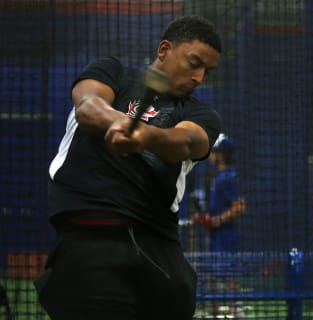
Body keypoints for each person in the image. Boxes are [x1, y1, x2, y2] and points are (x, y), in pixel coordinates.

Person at [34, 15, 223, 320]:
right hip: (89, 246)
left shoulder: (201, 113)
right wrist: (121, 123)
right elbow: (87, 105)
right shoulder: (113, 72)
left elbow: (187, 141)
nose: (199, 78)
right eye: (194, 63)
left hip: (158, 253)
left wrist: (145, 136)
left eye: (207, 72)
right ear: (164, 49)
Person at [193, 133, 246, 317]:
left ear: (221, 154)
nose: (211, 156)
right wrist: (208, 218)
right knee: (211, 275)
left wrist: (216, 221)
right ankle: (215, 312)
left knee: (229, 275)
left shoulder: (227, 178)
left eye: (214, 152)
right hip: (217, 236)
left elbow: (239, 207)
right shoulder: (220, 178)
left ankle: (236, 312)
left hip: (226, 235)